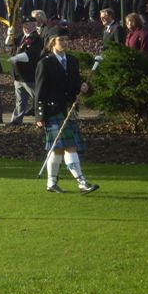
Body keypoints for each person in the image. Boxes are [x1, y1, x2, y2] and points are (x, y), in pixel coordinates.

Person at [34, 26, 99, 195]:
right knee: (64, 147)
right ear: (52, 42)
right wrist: (39, 115)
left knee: (63, 148)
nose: (64, 42)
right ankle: (81, 182)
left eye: (65, 40)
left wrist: (83, 86)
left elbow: (75, 84)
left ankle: (52, 183)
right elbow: (39, 91)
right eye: (60, 40)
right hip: (52, 110)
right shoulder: (45, 63)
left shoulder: (72, 61)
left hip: (69, 109)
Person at [7, 16, 43, 125]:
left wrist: (15, 58)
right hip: (18, 75)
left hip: (29, 75)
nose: (25, 27)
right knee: (20, 101)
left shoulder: (36, 39)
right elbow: (8, 45)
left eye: (28, 24)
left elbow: (30, 55)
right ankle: (16, 120)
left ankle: (41, 119)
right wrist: (10, 34)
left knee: (38, 97)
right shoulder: (21, 37)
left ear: (34, 25)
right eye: (24, 25)